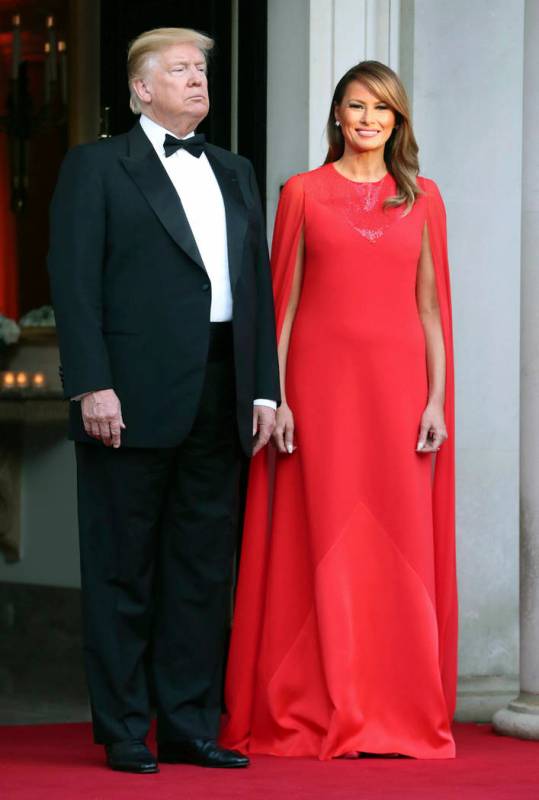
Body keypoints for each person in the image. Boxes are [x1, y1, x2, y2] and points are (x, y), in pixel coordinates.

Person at [48, 27, 279, 773]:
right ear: (140, 89)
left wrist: (265, 387)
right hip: (128, 393)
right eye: (179, 70)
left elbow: (256, 289)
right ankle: (122, 728)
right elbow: (74, 282)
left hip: (222, 392)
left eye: (202, 70)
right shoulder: (96, 167)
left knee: (202, 569)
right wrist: (90, 381)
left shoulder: (235, 170)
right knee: (122, 567)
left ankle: (187, 726)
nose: (197, 80)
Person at [221, 60, 457, 760]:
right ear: (336, 115)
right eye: (355, 106)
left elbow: (430, 309)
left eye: (381, 109)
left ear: (397, 121)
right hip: (316, 395)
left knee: (397, 540)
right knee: (313, 535)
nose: (367, 119)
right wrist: (279, 397)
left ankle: (393, 705)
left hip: (397, 393)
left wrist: (436, 400)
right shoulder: (300, 192)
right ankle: (313, 702)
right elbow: (280, 306)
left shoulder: (424, 198)